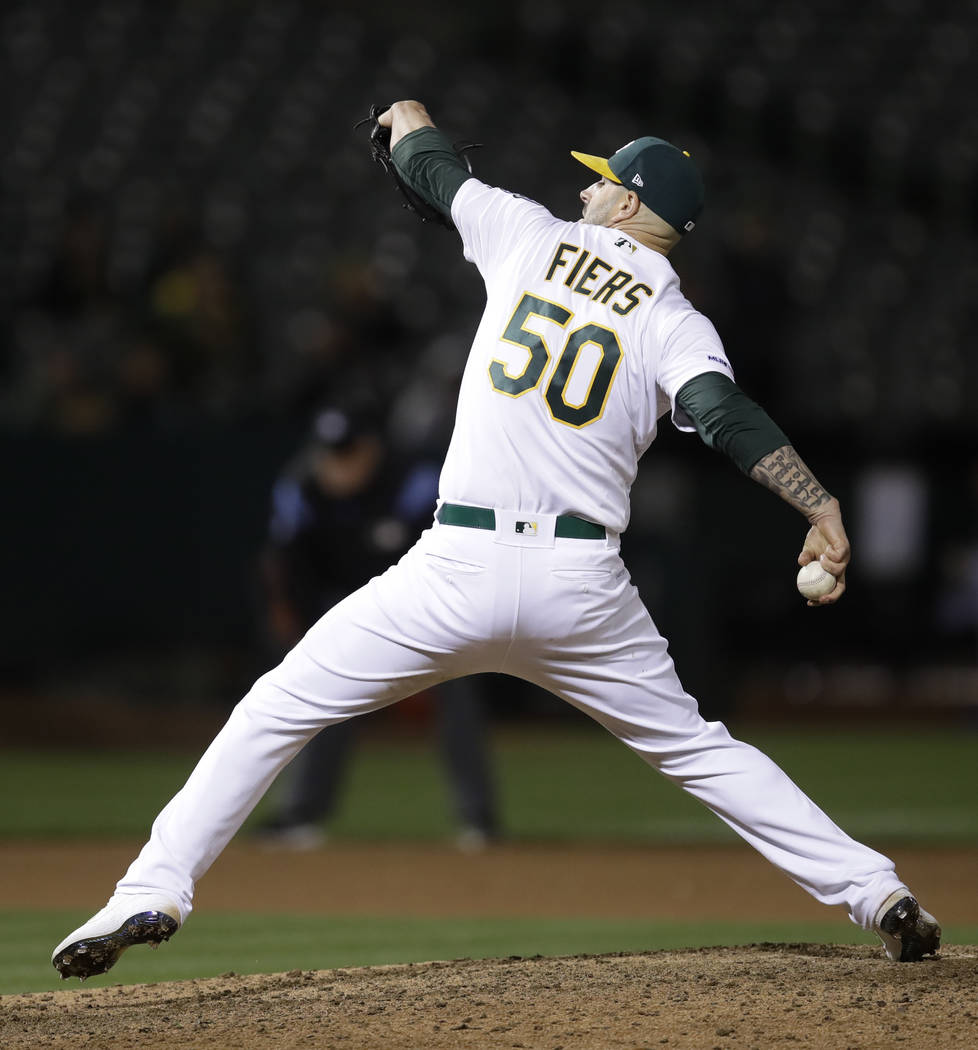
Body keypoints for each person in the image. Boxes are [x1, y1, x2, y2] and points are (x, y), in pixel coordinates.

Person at [52, 100, 940, 980]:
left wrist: (403, 117)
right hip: (581, 583)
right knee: (702, 751)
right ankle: (877, 893)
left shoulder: (529, 234)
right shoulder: (678, 320)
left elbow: (430, 167)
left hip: (456, 568)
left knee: (277, 708)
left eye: (602, 185)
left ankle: (151, 891)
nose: (586, 192)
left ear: (631, 203)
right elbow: (719, 413)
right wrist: (818, 503)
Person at [255, 403, 497, 850]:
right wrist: (300, 628)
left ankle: (479, 819)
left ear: (371, 449)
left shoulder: (416, 483)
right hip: (346, 610)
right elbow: (287, 567)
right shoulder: (302, 487)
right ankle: (302, 814)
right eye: (330, 453)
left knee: (457, 702)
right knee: (319, 697)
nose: (337, 464)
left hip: (429, 609)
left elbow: (459, 556)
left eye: (347, 452)